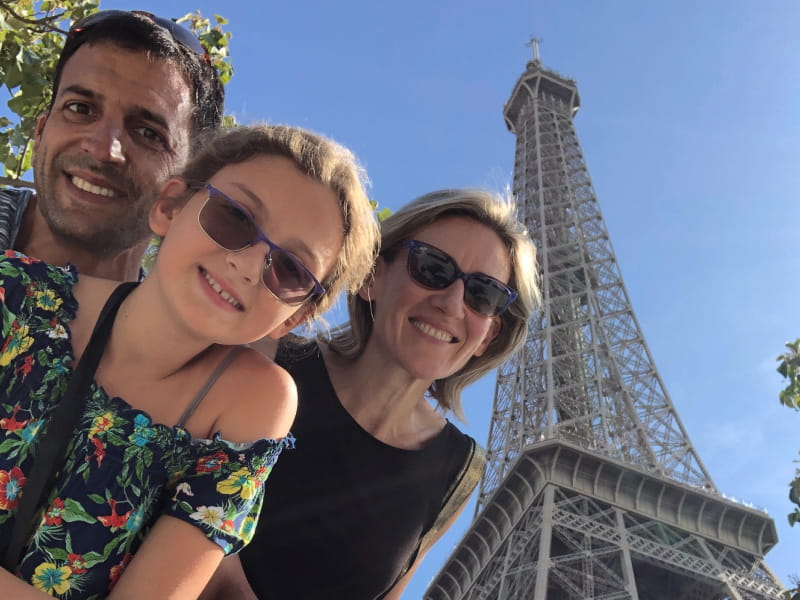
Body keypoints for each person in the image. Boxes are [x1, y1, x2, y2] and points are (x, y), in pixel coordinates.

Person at [0, 124, 379, 599]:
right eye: (235, 218)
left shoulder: (256, 403)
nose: (246, 263)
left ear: (295, 318)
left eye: (290, 269)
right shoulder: (14, 296)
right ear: (170, 207)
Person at [202, 189, 542, 599]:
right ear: (370, 277)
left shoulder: (458, 471)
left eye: (483, 295)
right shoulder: (267, 355)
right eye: (432, 267)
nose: (453, 304)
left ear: (488, 334)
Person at [0, 9, 224, 280]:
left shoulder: (165, 321)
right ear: (40, 132)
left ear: (186, 189)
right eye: (80, 108)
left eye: (148, 133)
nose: (103, 149)